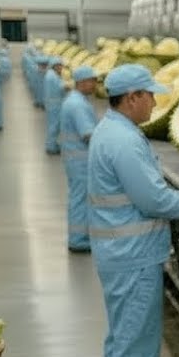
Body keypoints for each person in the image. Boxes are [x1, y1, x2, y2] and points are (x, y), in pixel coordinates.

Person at [88, 63, 179, 357]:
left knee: (125, 341)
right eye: (150, 95)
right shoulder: (124, 141)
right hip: (131, 259)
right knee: (133, 345)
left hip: (124, 256)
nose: (154, 102)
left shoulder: (115, 131)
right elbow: (154, 200)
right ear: (132, 97)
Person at [59, 65, 100, 252]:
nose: (95, 85)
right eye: (92, 81)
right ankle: (78, 239)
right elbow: (88, 134)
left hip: (76, 159)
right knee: (80, 199)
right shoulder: (78, 105)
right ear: (82, 82)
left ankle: (80, 236)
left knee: (79, 197)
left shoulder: (75, 100)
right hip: (80, 161)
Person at [43, 57, 68, 155]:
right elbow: (61, 87)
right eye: (59, 66)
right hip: (55, 105)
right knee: (54, 126)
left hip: (52, 104)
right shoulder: (53, 76)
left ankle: (52, 144)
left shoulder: (51, 74)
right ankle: (51, 147)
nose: (61, 68)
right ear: (55, 66)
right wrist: (69, 86)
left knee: (53, 125)